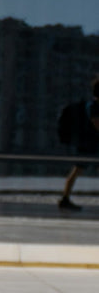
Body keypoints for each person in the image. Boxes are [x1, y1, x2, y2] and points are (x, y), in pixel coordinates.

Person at [58, 77, 99, 212]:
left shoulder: (92, 105)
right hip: (89, 145)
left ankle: (65, 198)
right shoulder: (94, 107)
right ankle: (65, 199)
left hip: (90, 145)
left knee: (76, 171)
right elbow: (97, 124)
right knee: (76, 170)